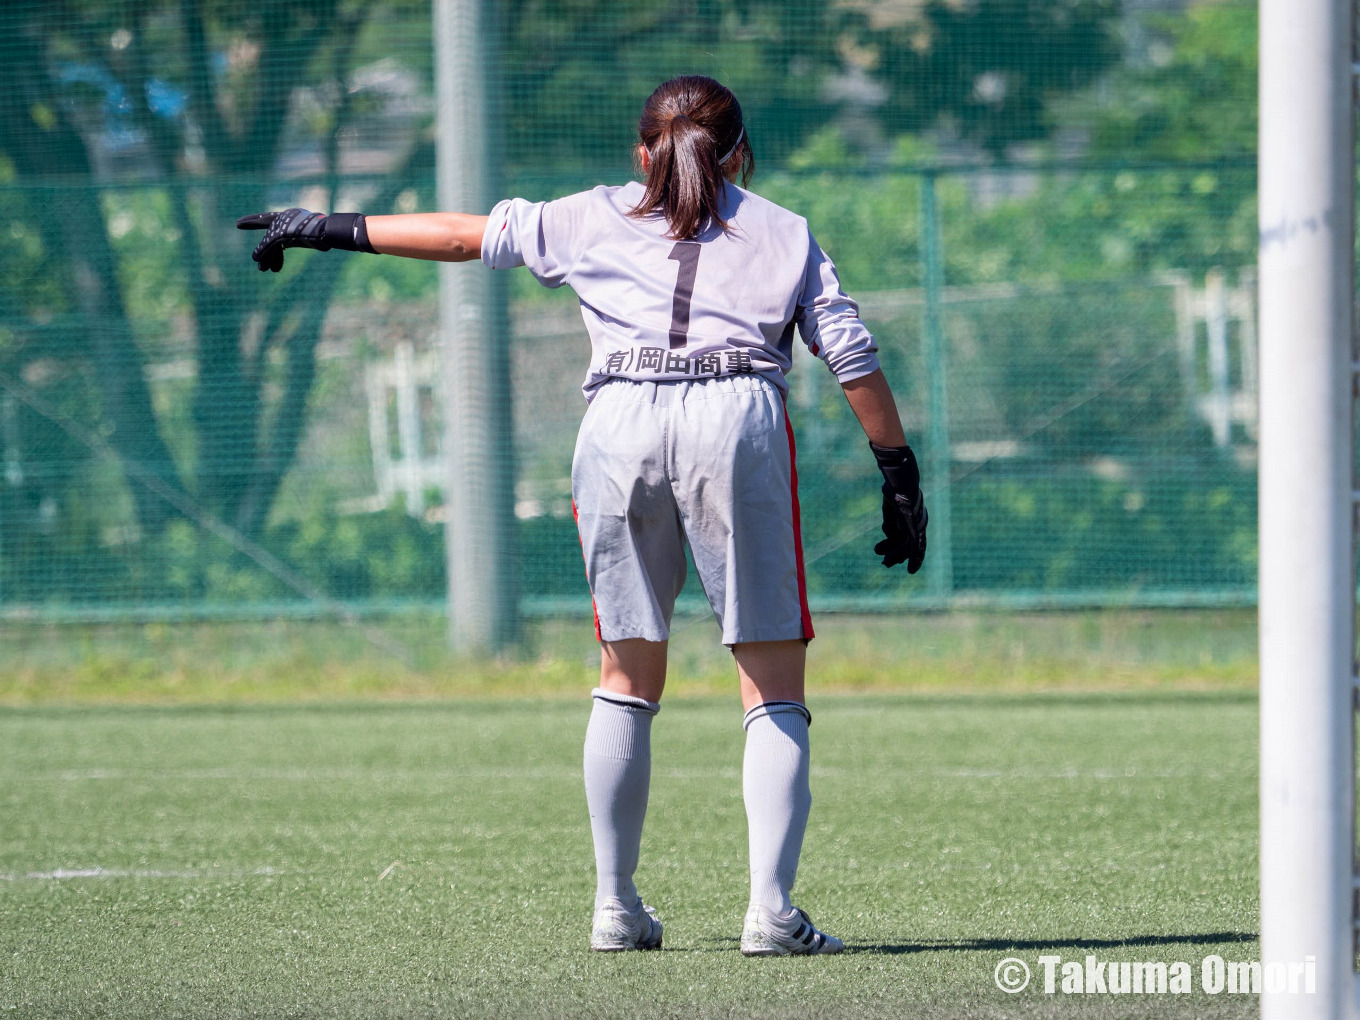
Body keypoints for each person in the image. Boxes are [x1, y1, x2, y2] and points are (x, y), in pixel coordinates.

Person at [238, 74, 927, 957]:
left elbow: (462, 236)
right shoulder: (786, 231)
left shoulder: (591, 214)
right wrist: (897, 471)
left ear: (643, 153)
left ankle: (615, 905)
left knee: (625, 676)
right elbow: (851, 356)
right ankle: (771, 913)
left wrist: (321, 227)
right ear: (741, 155)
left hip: (620, 422)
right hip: (736, 418)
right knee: (772, 685)